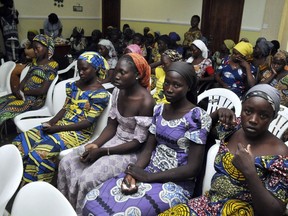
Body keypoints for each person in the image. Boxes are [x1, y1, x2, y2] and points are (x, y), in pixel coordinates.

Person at [82, 61, 212, 215]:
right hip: (148, 172)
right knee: (92, 199)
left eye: (176, 85)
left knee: (122, 212)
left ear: (188, 87)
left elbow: (193, 169)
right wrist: (133, 173)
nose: (169, 89)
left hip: (175, 184)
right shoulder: (159, 110)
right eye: (167, 83)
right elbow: (148, 149)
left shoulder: (197, 117)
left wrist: (150, 177)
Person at [160, 84, 288, 216]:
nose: (253, 120)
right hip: (209, 204)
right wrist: (216, 114)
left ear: (273, 117)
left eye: (263, 115)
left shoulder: (280, 152)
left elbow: (275, 211)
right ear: (242, 109)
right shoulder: (234, 127)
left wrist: (249, 172)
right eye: (248, 111)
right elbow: (200, 132)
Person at [57, 53, 155, 215]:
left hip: (130, 151)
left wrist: (103, 151)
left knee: (87, 179)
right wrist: (96, 144)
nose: (115, 76)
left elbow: (138, 142)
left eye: (122, 72)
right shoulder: (118, 91)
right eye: (115, 71)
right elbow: (111, 125)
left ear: (137, 74)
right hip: (114, 141)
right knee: (68, 162)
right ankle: (66, 208)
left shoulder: (146, 102)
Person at [12, 51, 110, 185]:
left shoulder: (101, 94)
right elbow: (64, 108)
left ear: (96, 69)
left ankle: (37, 186)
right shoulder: (74, 86)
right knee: (21, 141)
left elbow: (87, 123)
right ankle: (17, 180)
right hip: (61, 125)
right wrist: (50, 122)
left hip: (78, 133)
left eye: (85, 69)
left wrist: (58, 128)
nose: (81, 72)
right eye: (79, 69)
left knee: (40, 152)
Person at [0, 34, 58, 126]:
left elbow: (43, 90)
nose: (35, 51)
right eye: (34, 48)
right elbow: (26, 77)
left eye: (37, 48)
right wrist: (18, 89)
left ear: (47, 47)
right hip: (23, 96)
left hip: (34, 101)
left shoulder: (52, 65)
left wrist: (25, 92)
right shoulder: (35, 62)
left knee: (3, 112)